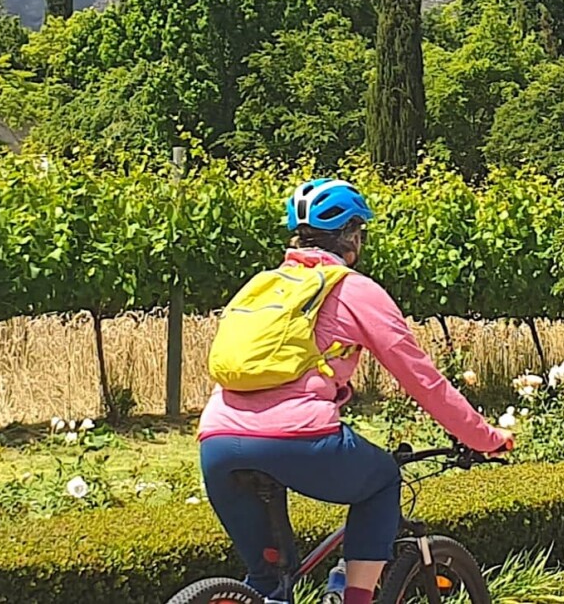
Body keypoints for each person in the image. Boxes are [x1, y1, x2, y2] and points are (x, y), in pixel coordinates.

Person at [198, 179, 512, 604]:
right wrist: (483, 437)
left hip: (216, 440)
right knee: (382, 479)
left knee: (270, 582)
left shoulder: (263, 286)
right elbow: (423, 380)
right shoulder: (353, 290)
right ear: (352, 235)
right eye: (360, 233)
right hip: (298, 438)